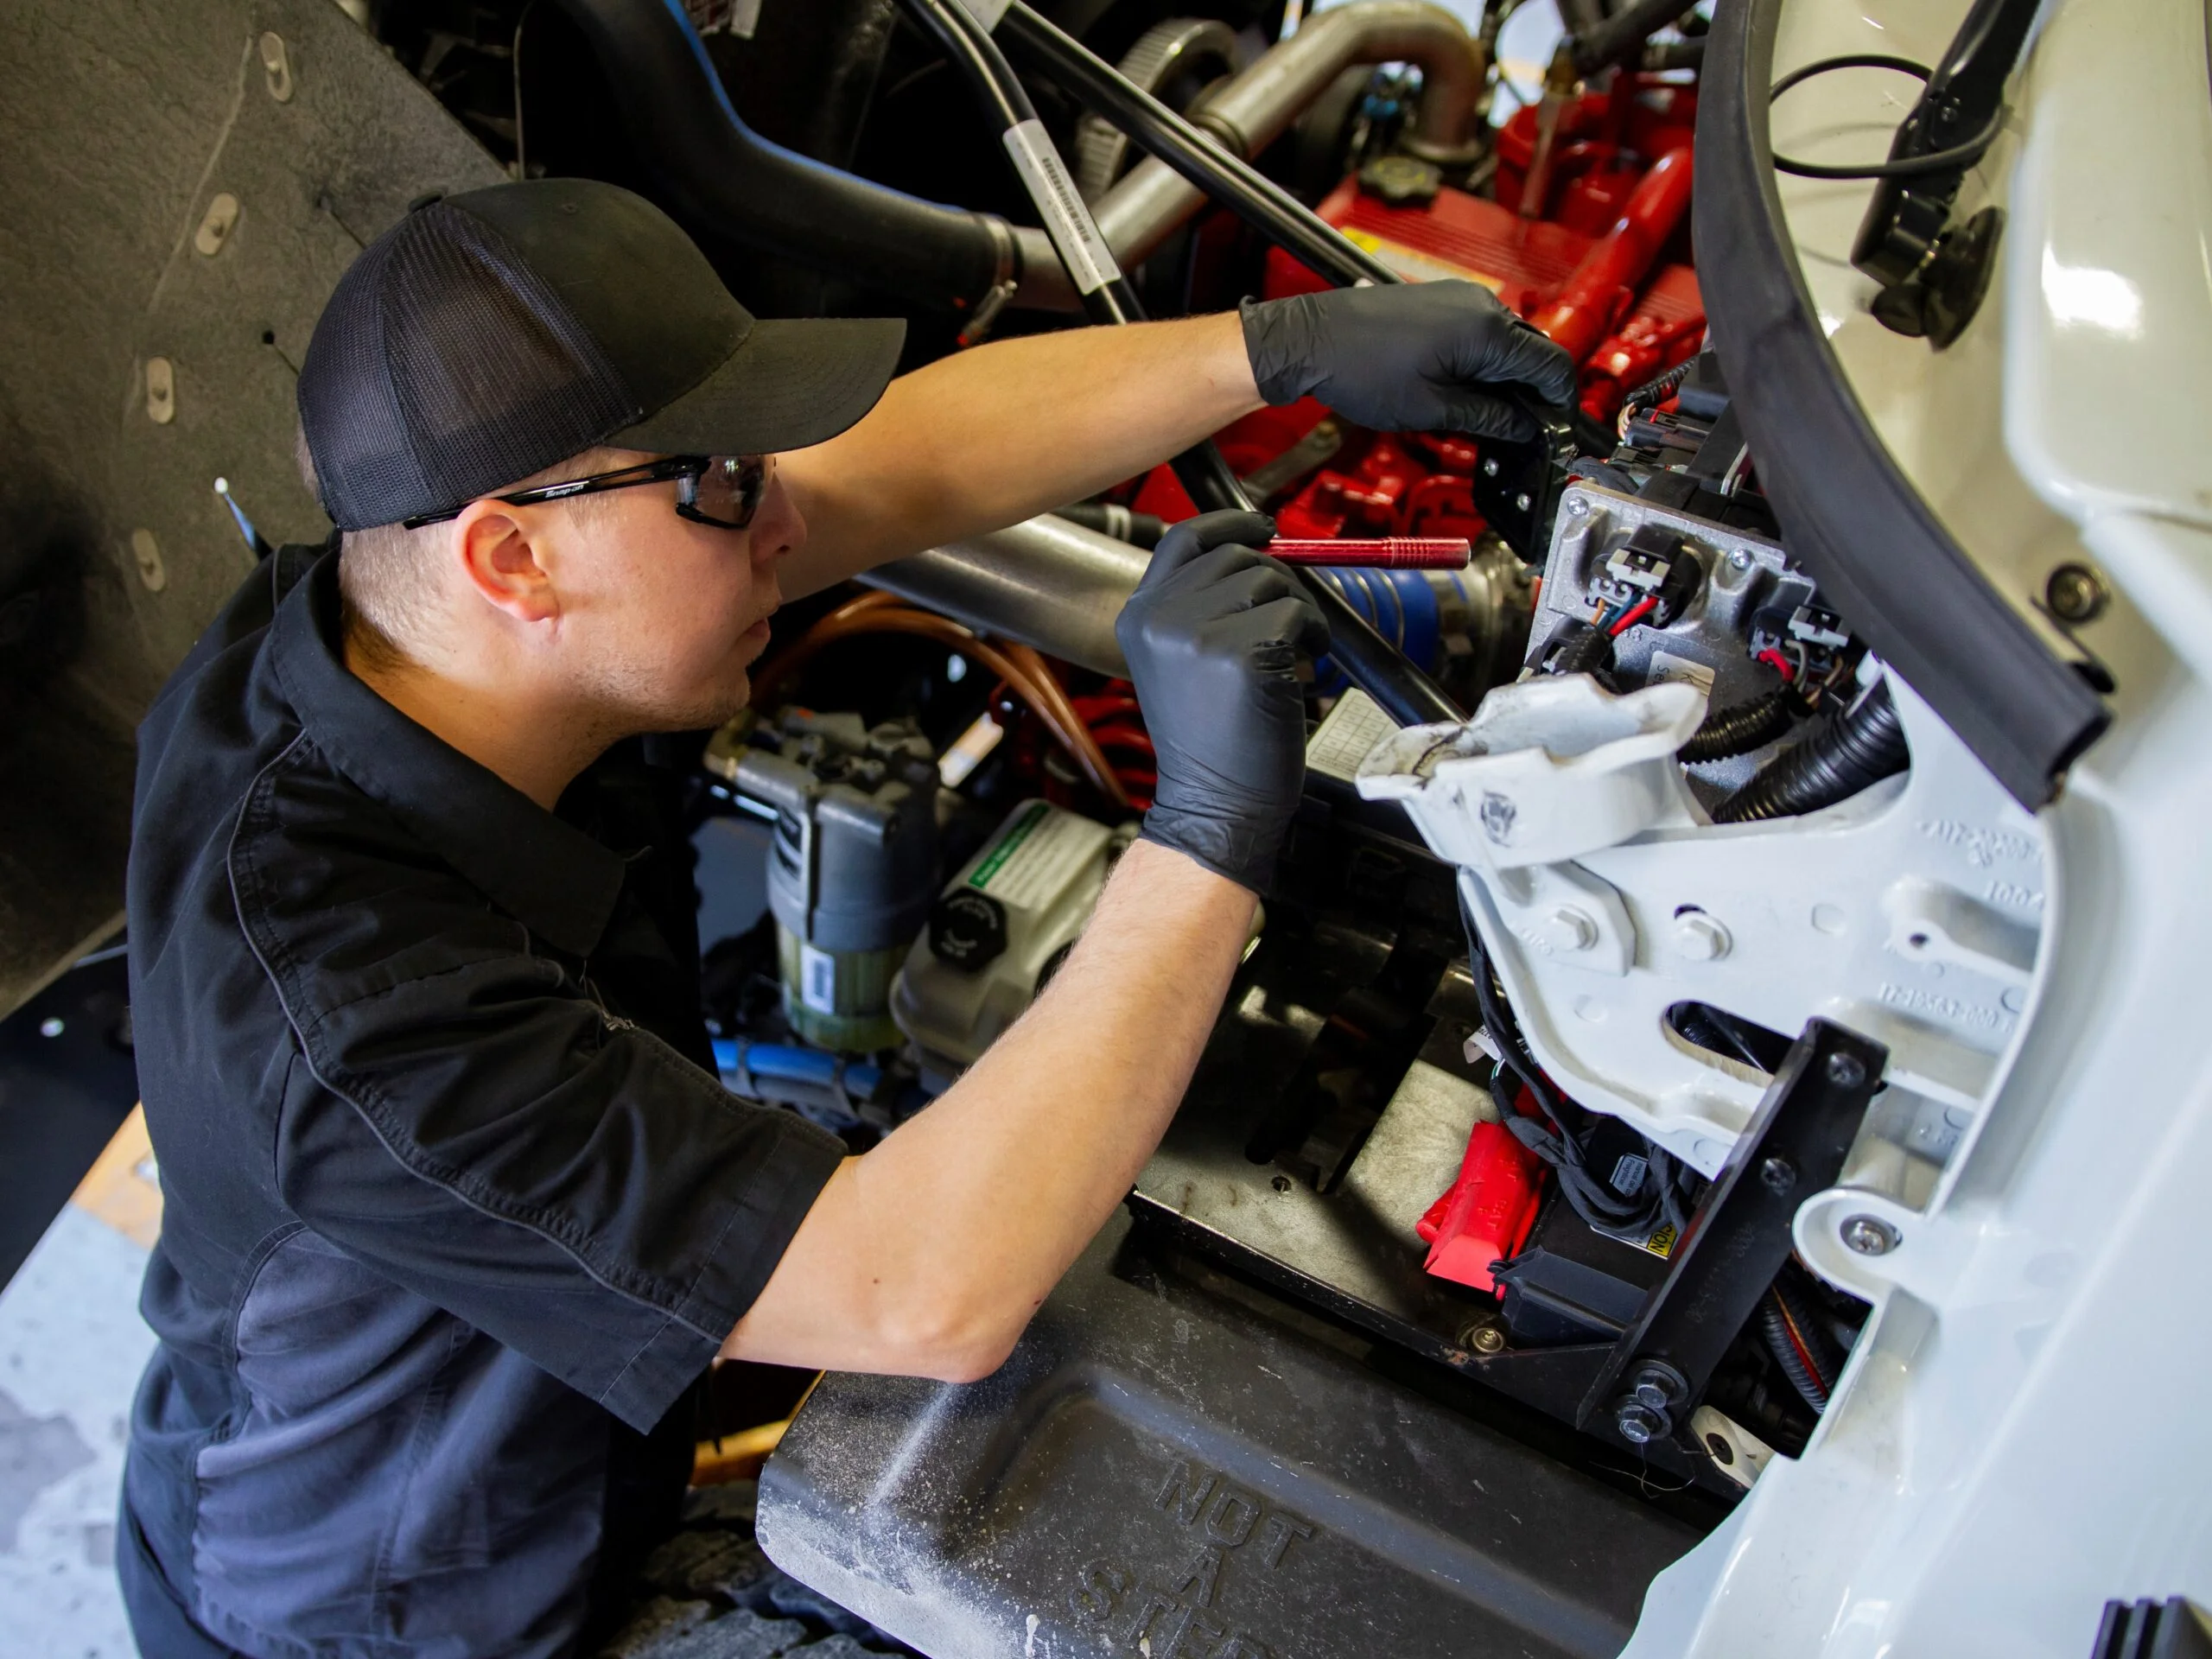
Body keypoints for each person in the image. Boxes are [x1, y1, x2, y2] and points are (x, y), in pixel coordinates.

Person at [118, 178, 1574, 1658]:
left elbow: (904, 462)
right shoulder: (354, 1010)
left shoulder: (392, 629)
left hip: (552, 1452)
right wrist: (1205, 833)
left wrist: (1280, 348)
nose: (791, 517)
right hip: (424, 1621)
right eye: (727, 484)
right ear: (515, 559)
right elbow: (927, 1290)